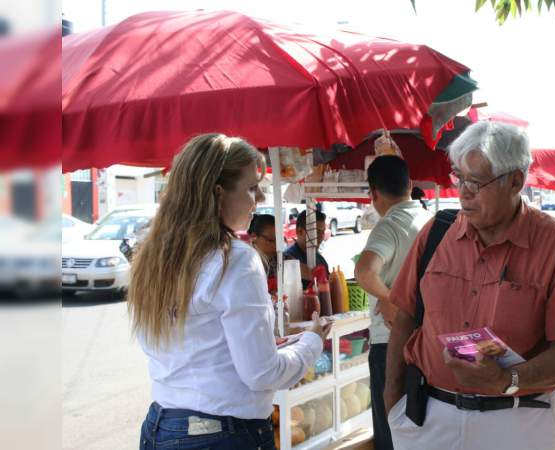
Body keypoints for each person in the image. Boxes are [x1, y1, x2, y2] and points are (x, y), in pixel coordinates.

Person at [383, 122, 555, 450]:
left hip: (518, 420)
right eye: (459, 177)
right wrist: (392, 399)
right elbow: (404, 318)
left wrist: (507, 380)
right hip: (430, 417)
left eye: (476, 181)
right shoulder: (436, 233)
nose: (463, 192)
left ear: (515, 181)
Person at [128, 133, 332, 450]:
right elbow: (263, 374)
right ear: (218, 193)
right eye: (252, 188)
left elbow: (193, 345)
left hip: (161, 427)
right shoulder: (234, 260)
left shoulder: (152, 258)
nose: (261, 198)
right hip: (221, 435)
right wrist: (312, 342)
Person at [355, 155, 433, 450]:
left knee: (390, 430)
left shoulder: (389, 225)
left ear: (373, 193)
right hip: (425, 340)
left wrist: (388, 299)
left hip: (390, 343)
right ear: (410, 185)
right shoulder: (429, 220)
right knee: (418, 427)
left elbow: (364, 270)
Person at [284, 209, 329, 287]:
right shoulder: (288, 260)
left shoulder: (321, 260)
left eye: (323, 232)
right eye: (316, 232)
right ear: (300, 231)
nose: (321, 236)